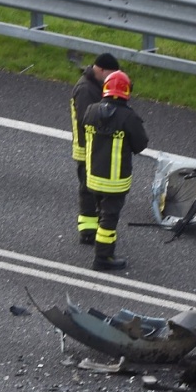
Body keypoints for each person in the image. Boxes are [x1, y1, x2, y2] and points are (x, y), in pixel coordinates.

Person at [82, 69, 149, 271]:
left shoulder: (91, 110)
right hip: (115, 181)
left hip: (92, 177)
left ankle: (92, 239)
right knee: (109, 220)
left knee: (99, 213)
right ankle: (102, 258)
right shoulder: (128, 117)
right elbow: (141, 144)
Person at [70, 53, 119, 245]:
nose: (110, 80)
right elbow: (87, 119)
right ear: (100, 70)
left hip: (93, 147)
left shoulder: (95, 85)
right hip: (86, 148)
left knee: (95, 190)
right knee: (88, 191)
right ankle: (88, 232)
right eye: (109, 75)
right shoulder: (85, 89)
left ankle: (93, 227)